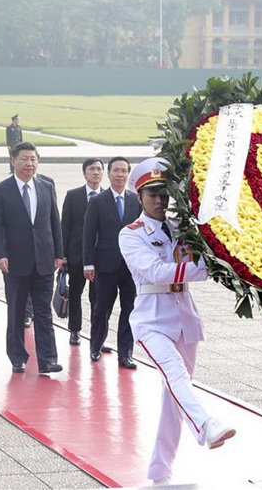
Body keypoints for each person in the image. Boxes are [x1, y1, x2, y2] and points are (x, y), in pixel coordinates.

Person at [119, 157, 236, 486]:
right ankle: (206, 426)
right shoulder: (131, 235)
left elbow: (202, 257)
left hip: (185, 318)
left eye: (164, 194)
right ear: (139, 198)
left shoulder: (183, 229)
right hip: (151, 320)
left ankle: (160, 473)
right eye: (152, 194)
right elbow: (156, 272)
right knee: (176, 374)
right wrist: (203, 269)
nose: (159, 200)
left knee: (173, 396)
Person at [0, 141, 63, 374]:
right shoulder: (1, 190)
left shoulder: (46, 186)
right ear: (13, 160)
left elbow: (54, 221)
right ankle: (17, 357)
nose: (29, 163)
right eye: (24, 159)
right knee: (17, 312)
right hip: (15, 261)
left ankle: (48, 359)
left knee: (43, 311)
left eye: (33, 159)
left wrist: (59, 254)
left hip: (44, 260)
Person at [83, 157, 141, 368]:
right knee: (101, 309)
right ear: (109, 174)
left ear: (128, 174)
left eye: (124, 171)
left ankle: (125, 354)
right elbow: (88, 234)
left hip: (130, 267)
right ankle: (96, 345)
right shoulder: (98, 201)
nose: (120, 175)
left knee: (130, 309)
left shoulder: (136, 201)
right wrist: (88, 263)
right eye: (116, 170)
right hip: (105, 265)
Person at [61, 158, 104, 345]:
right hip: (76, 255)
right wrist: (62, 255)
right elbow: (65, 227)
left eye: (99, 169)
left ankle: (97, 334)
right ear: (84, 173)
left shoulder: (108, 197)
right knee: (75, 293)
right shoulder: (73, 195)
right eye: (92, 169)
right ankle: (75, 330)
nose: (96, 172)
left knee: (98, 297)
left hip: (100, 257)